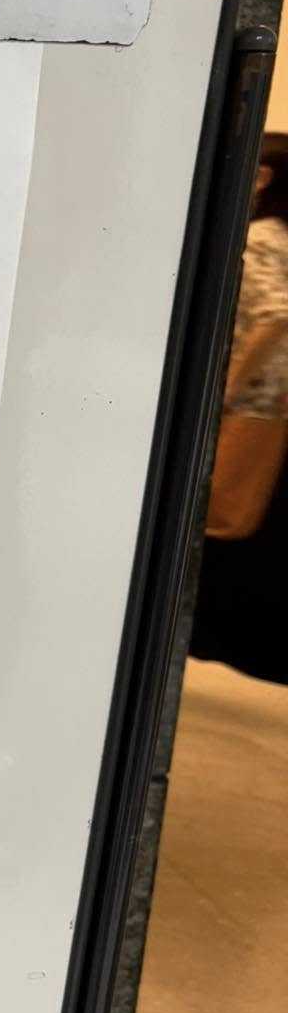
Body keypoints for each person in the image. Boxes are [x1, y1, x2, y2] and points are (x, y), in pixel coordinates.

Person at [192, 131, 288, 685]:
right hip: (269, 411)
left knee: (210, 524)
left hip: (244, 412)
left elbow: (274, 315)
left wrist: (225, 388)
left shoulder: (262, 238)